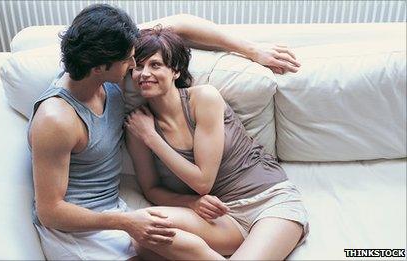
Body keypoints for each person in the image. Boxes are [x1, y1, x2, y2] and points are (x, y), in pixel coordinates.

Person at [28, 3, 301, 260]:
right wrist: (141, 217)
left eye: (151, 64)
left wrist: (252, 50)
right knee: (148, 235)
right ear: (100, 68)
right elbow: (51, 211)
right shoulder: (58, 117)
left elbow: (179, 25)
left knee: (151, 234)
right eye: (130, 61)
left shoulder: (108, 62)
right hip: (92, 225)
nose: (135, 67)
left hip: (267, 200)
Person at [125, 26, 309, 260]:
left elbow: (203, 181)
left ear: (176, 71)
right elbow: (151, 189)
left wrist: (151, 138)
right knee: (142, 234)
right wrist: (191, 202)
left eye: (155, 64)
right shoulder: (137, 125)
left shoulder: (203, 98)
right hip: (221, 218)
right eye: (137, 67)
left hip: (269, 201)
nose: (144, 73)